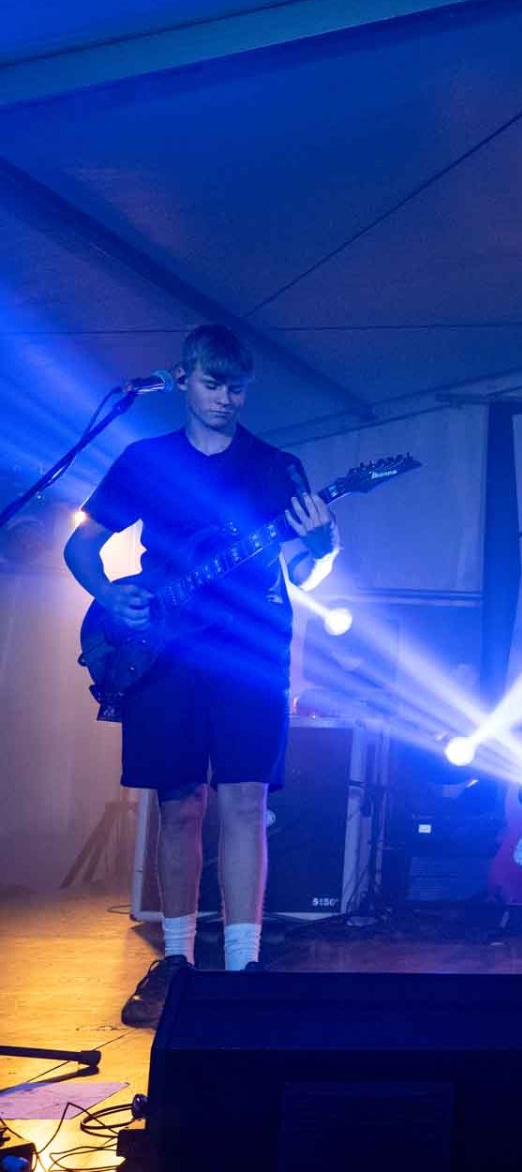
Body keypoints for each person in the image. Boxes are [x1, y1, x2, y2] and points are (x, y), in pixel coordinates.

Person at [64, 324, 338, 1027]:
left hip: (251, 654)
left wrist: (324, 546)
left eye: (237, 387)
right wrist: (108, 593)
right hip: (165, 653)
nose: (226, 398)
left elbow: (304, 572)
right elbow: (80, 545)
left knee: (244, 802)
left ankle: (245, 965)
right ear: (183, 378)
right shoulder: (145, 461)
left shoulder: (276, 468)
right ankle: (177, 960)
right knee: (179, 804)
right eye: (213, 384)